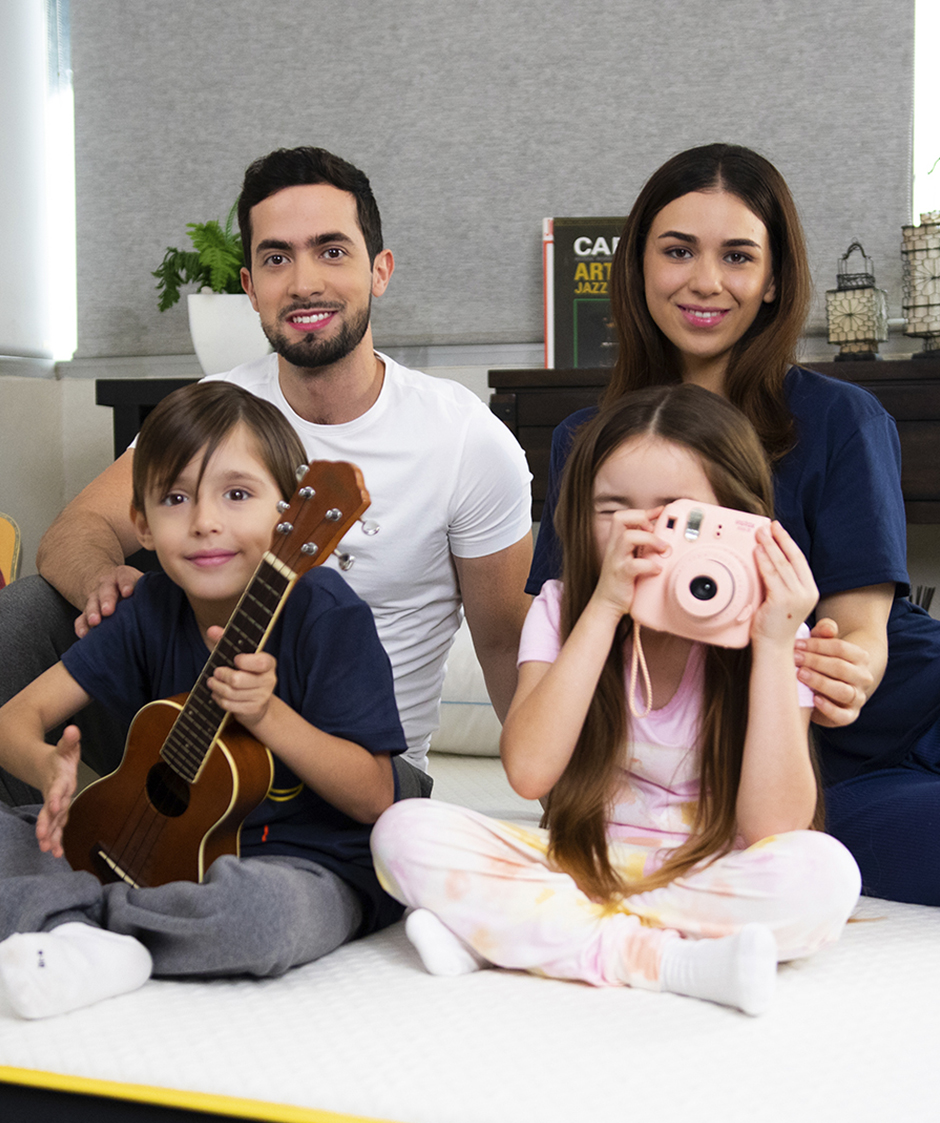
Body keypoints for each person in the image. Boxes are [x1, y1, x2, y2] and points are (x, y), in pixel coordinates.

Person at [0, 145, 532, 803]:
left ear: (381, 271)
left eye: (332, 251)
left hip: (353, 766)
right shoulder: (212, 412)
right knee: (22, 612)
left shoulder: (466, 440)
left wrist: (561, 807)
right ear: (250, 287)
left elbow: (506, 642)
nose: (304, 281)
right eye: (277, 257)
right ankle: (51, 838)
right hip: (191, 736)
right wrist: (104, 585)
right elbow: (76, 529)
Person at [527, 143, 940, 907]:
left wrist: (849, 668)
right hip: (802, 766)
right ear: (638, 267)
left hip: (915, 702)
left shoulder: (840, 419)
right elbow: (563, 642)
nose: (706, 281)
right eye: (678, 250)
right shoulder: (588, 443)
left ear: (775, 278)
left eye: (739, 256)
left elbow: (863, 638)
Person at [372, 387, 861, 1015]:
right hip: (580, 862)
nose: (640, 530)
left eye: (672, 511)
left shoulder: (772, 631)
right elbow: (529, 773)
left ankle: (521, 934)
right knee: (403, 831)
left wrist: (771, 646)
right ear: (581, 516)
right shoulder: (564, 606)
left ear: (735, 520)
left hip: (708, 867)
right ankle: (663, 958)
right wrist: (602, 608)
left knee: (824, 875)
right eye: (613, 508)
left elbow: (775, 828)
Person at [0, 381, 407, 1019]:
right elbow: (14, 720)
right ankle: (118, 930)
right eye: (176, 497)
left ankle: (81, 928)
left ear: (287, 511)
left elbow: (374, 795)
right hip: (149, 845)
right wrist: (49, 770)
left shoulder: (324, 613)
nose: (205, 521)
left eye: (237, 494)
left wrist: (268, 715)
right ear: (141, 522)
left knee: (262, 919)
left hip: (295, 858)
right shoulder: (149, 610)